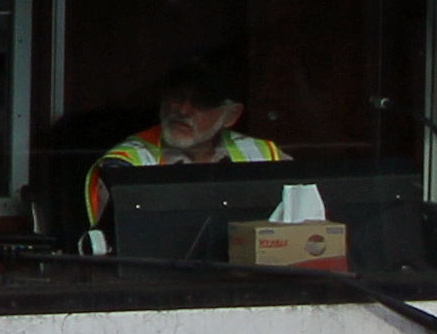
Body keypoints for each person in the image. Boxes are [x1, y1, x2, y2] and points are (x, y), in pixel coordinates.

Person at [85, 59, 287, 230]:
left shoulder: (263, 155)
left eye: (201, 101)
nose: (183, 110)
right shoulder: (124, 164)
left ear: (231, 115)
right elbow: (117, 244)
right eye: (177, 96)